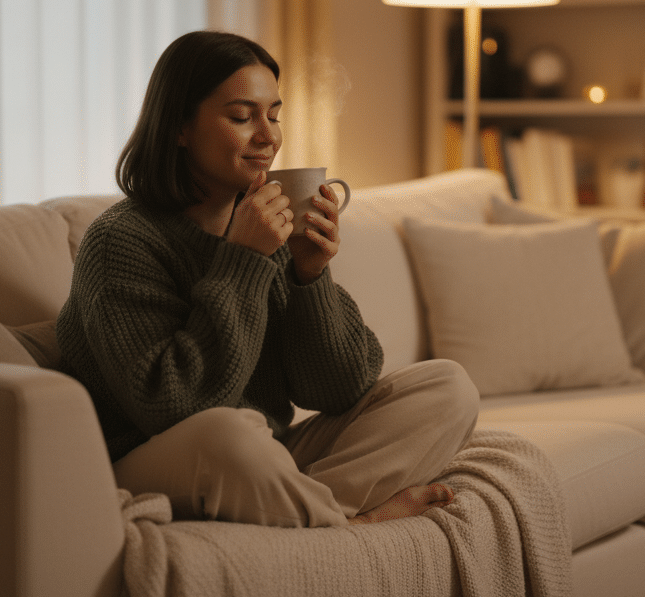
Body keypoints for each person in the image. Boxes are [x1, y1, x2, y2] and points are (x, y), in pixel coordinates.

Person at [57, 30, 479, 527]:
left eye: (273, 114)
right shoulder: (121, 243)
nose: (269, 136)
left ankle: (306, 513)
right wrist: (244, 260)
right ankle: (351, 526)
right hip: (162, 457)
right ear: (179, 127)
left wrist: (309, 275)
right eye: (242, 116)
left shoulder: (267, 224)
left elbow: (342, 387)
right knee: (229, 434)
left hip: (265, 455)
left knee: (447, 387)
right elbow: (173, 406)